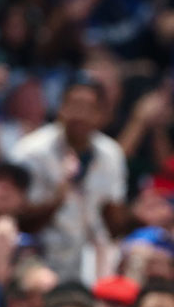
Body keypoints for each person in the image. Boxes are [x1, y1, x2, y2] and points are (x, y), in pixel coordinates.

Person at [10, 77, 127, 281]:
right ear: (60, 108)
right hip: (39, 255)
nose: (80, 115)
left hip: (92, 257)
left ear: (102, 115)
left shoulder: (111, 154)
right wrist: (60, 194)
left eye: (89, 108)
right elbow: (18, 220)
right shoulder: (30, 152)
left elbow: (113, 222)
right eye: (73, 105)